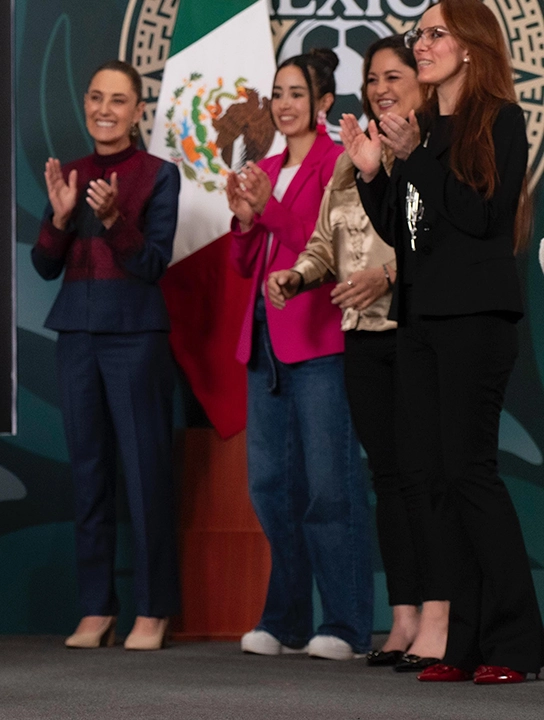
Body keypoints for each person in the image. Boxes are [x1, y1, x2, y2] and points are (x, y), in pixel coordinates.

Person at [343, 0, 544, 684]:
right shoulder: (424, 131)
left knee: (470, 476)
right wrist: (376, 174)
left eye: (433, 34)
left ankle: (516, 643)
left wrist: (412, 160)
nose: (419, 45)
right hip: (423, 321)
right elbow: (410, 234)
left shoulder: (502, 122)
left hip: (476, 321)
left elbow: (482, 216)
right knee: (433, 481)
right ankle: (463, 644)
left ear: (470, 46)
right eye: (417, 34)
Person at [268, 36, 444, 670]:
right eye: (373, 78)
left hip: (416, 330)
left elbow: (440, 239)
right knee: (388, 479)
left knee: (426, 474)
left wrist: (388, 277)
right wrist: (298, 275)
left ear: (421, 83)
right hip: (359, 335)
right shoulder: (351, 158)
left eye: (394, 76)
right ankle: (400, 618)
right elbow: (323, 242)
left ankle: (437, 613)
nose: (381, 88)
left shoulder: (431, 150)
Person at [227, 48, 374, 661]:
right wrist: (242, 223)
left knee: (328, 488)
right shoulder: (261, 165)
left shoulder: (337, 163)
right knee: (268, 486)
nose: (284, 104)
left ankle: (344, 624)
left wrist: (269, 210)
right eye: (277, 93)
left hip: (318, 340)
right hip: (263, 341)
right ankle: (285, 618)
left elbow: (330, 247)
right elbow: (243, 263)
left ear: (321, 104)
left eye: (296, 94)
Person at [33, 60, 181, 651]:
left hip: (136, 337)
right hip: (76, 335)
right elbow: (46, 265)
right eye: (96, 97)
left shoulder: (158, 175)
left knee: (145, 476)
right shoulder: (69, 173)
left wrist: (117, 220)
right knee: (89, 475)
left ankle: (154, 609)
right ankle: (96, 608)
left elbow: (151, 265)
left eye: (118, 100)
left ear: (138, 111)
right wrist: (63, 219)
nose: (104, 109)